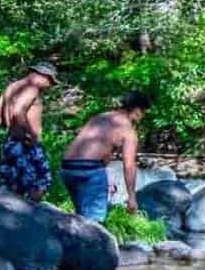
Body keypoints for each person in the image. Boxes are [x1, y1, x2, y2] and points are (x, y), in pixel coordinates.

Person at [60, 92, 150, 223]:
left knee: (81, 219)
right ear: (137, 110)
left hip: (67, 168)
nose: (143, 116)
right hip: (89, 170)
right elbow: (129, 165)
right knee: (94, 224)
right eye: (144, 111)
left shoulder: (100, 117)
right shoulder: (128, 131)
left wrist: (105, 177)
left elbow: (99, 148)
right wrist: (132, 198)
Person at [0, 62, 60, 201]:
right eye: (50, 81)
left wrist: (10, 128)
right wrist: (30, 134)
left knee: (11, 185)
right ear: (43, 76)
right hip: (26, 144)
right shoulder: (32, 88)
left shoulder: (12, 86)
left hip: (11, 142)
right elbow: (18, 111)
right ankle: (30, 215)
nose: (50, 86)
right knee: (42, 180)